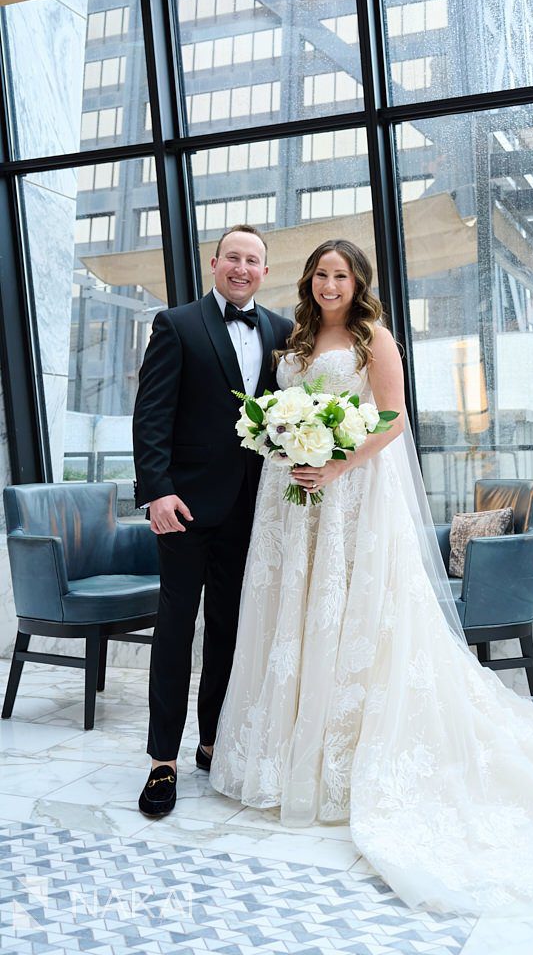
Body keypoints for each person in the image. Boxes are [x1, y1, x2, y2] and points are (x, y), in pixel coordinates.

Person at [210, 238, 533, 917]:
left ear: (358, 281)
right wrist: (285, 442)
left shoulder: (376, 338)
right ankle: (285, 760)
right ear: (309, 281)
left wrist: (336, 463)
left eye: (341, 274)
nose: (330, 284)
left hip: (350, 497)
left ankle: (342, 764)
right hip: (293, 503)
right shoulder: (295, 342)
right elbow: (281, 412)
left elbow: (393, 418)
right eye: (320, 274)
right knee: (296, 615)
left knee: (354, 618)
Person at [132, 224, 292, 818]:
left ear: (265, 271)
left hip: (254, 510)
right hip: (186, 509)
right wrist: (157, 493)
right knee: (175, 631)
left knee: (230, 629)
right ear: (214, 262)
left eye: (253, 260)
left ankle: (210, 742)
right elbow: (151, 416)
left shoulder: (280, 331)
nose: (242, 268)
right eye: (233, 257)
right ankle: (161, 762)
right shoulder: (176, 325)